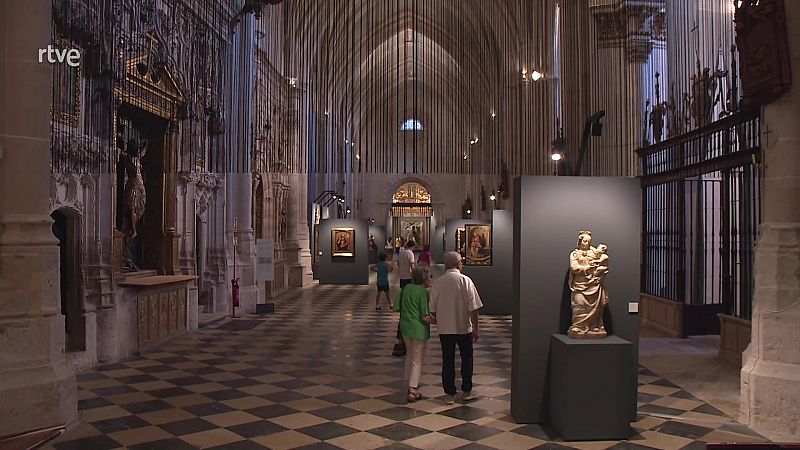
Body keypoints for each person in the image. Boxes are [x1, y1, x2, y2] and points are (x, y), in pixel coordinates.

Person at [430, 251, 483, 404]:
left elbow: (432, 308)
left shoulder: (438, 282)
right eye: (461, 262)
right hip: (463, 327)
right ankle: (467, 390)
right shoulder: (466, 281)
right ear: (458, 264)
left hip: (445, 328)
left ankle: (449, 394)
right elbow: (474, 308)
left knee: (447, 359)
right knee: (467, 358)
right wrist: (475, 328)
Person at [394, 268, 436, 402]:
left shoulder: (406, 288)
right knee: (417, 359)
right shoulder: (422, 292)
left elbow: (397, 307)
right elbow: (425, 316)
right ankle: (413, 389)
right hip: (418, 329)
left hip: (405, 327)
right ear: (424, 279)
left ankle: (409, 383)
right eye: (429, 277)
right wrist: (439, 321)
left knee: (410, 356)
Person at [568, 231, 610, 338]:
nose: (586, 244)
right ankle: (578, 327)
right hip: (580, 285)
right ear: (580, 241)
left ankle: (594, 327)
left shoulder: (595, 253)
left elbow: (604, 262)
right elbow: (574, 267)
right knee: (580, 306)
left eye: (589, 242)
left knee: (596, 308)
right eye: (585, 241)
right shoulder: (574, 254)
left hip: (594, 285)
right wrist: (586, 268)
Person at [392, 240, 416, 356]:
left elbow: (398, 264)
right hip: (408, 277)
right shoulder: (410, 253)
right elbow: (412, 266)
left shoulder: (401, 252)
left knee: (404, 293)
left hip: (402, 277)